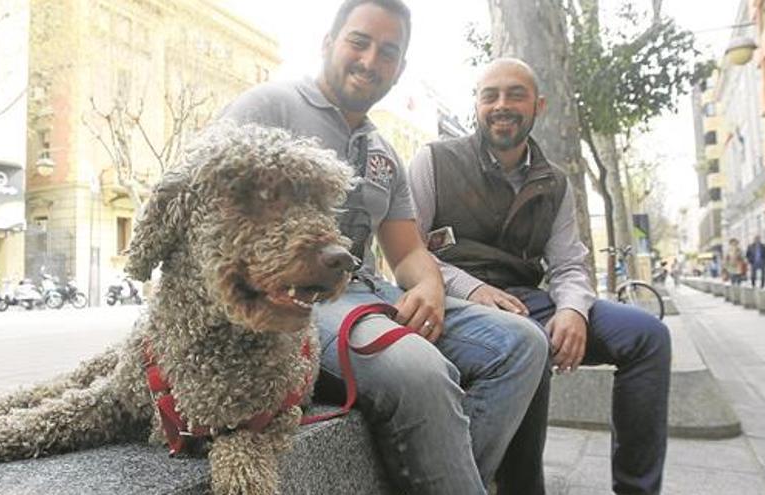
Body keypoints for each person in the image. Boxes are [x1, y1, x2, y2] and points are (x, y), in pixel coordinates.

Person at [216, 3, 548, 494]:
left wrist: (431, 289)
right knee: (420, 368)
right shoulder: (268, 107)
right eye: (359, 42)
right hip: (301, 302)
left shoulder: (384, 153)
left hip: (371, 293)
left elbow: (409, 252)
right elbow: (206, 207)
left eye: (388, 52)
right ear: (328, 43)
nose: (371, 60)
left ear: (400, 68)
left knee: (523, 343)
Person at [408, 58, 672, 495]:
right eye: (489, 95)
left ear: (539, 105)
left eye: (516, 94)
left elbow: (568, 264)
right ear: (475, 104)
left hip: (529, 299)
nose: (501, 105)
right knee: (525, 338)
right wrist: (472, 288)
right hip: (455, 302)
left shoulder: (556, 183)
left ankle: (636, 488)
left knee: (647, 337)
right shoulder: (434, 161)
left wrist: (572, 311)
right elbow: (406, 252)